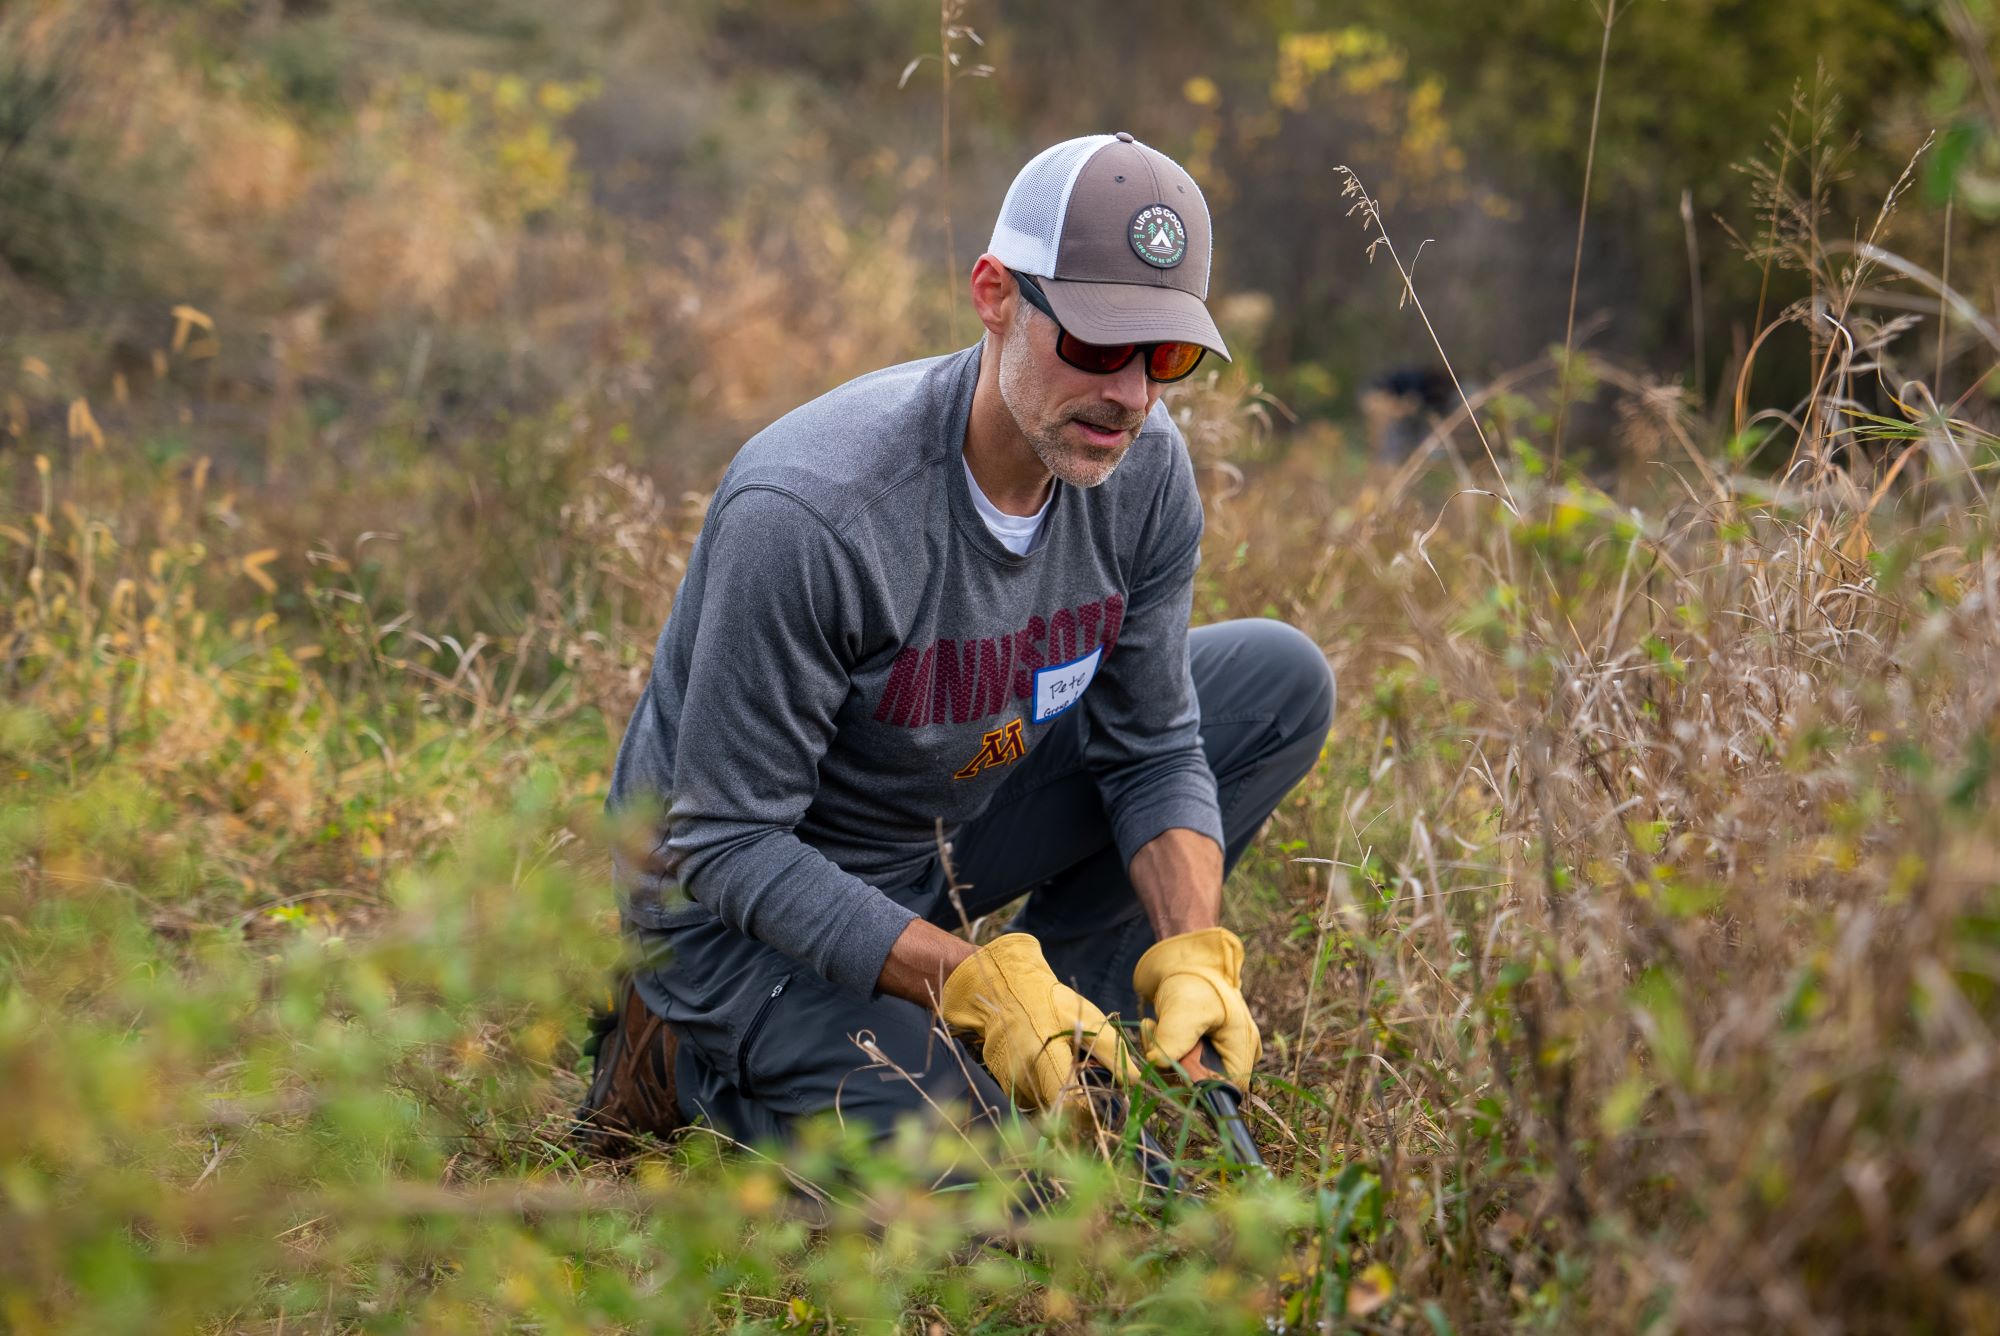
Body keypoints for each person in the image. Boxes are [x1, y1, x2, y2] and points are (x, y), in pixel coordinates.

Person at [576, 133, 1335, 1153]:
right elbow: (726, 843)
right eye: (1099, 345)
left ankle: (1092, 1054)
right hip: (731, 912)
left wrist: (1193, 954)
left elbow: (1151, 748)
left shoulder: (1145, 472)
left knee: (1277, 680)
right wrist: (971, 980)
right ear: (993, 294)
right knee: (994, 1194)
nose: (1131, 396)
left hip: (933, 830)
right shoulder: (813, 510)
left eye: (1166, 358)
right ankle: (677, 1049)